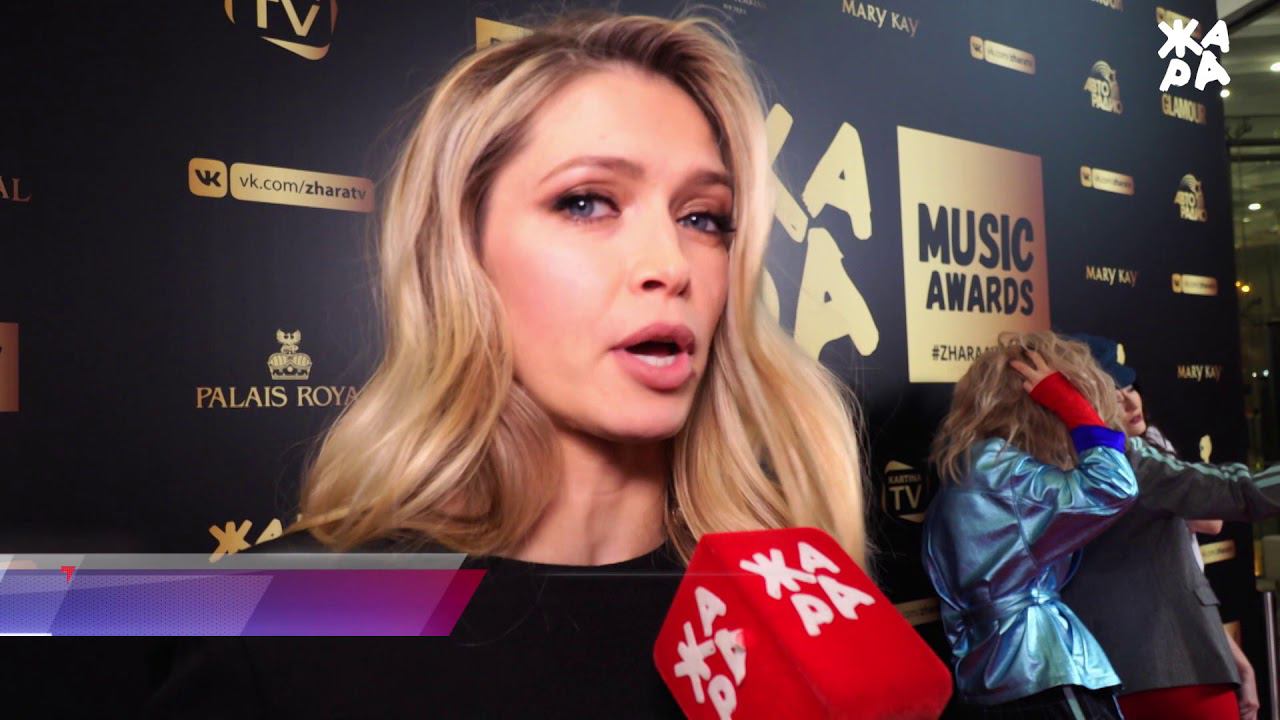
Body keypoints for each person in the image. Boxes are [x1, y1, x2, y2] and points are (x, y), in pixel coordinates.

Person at [146, 11, 868, 717]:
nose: (671, 265)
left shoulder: (793, 604)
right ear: (463, 253)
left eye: (703, 218)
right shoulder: (281, 624)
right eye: (586, 203)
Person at [1061, 335, 1279, 720]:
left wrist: (1233, 657)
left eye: (1130, 388)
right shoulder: (1123, 458)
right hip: (1173, 681)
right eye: (1113, 394)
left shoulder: (1035, 462)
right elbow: (1234, 493)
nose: (1132, 402)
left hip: (1100, 679)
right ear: (1083, 400)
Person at [923, 331, 1138, 719]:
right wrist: (1069, 404)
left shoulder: (981, 466)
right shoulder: (998, 470)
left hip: (1009, 673)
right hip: (1037, 672)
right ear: (1039, 405)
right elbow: (1114, 486)